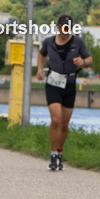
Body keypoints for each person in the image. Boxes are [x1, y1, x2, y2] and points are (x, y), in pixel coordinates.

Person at [35, 14, 91, 171]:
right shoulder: (49, 41)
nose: (65, 32)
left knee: (65, 124)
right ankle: (53, 155)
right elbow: (41, 54)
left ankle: (60, 152)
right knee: (56, 119)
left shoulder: (78, 42)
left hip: (70, 84)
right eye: (63, 28)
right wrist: (40, 69)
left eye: (68, 28)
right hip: (53, 83)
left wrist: (83, 62)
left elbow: (89, 59)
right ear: (58, 27)